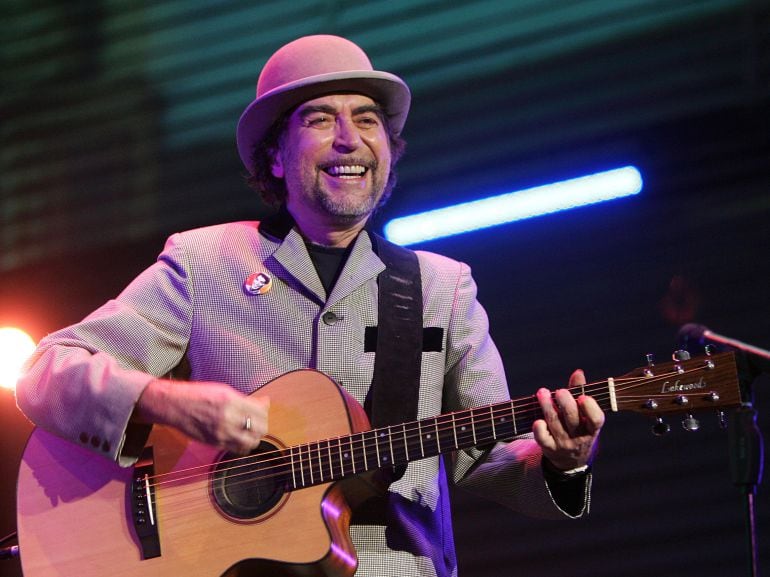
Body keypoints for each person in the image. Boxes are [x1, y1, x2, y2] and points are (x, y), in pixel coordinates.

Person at [17, 35, 604, 576]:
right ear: (275, 156)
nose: (349, 139)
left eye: (367, 120)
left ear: (388, 153)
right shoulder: (202, 262)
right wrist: (165, 402)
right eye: (321, 119)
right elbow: (46, 372)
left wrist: (562, 460)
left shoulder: (443, 288)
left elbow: (492, 461)